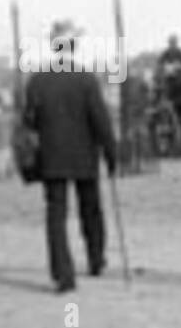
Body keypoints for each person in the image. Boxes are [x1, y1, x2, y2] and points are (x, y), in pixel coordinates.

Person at [22, 21, 118, 293]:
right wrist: (111, 154)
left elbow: (28, 123)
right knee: (91, 208)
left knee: (56, 215)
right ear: (73, 47)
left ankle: (64, 275)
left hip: (51, 158)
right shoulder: (85, 79)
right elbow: (101, 121)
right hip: (84, 157)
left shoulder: (37, 81)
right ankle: (96, 259)